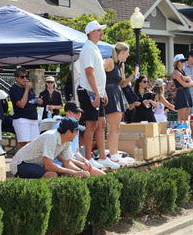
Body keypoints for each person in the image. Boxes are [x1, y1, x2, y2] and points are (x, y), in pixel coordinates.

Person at [77, 20, 119, 169]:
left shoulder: (94, 48)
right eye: (98, 30)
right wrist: (96, 93)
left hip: (96, 92)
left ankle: (102, 157)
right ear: (91, 32)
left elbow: (98, 73)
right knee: (91, 124)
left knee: (101, 124)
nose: (101, 32)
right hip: (88, 91)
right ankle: (89, 158)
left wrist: (103, 92)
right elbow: (89, 72)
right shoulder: (88, 48)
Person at [10, 117, 90, 179]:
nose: (77, 134)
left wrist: (80, 172)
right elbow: (48, 166)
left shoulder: (67, 140)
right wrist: (74, 173)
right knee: (52, 175)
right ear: (69, 132)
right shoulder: (51, 137)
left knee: (67, 174)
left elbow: (67, 163)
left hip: (36, 165)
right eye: (76, 131)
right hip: (20, 164)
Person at [52, 101, 105, 176]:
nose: (79, 115)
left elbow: (76, 152)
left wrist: (85, 160)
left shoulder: (75, 127)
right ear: (67, 113)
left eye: (80, 112)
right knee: (89, 176)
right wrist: (81, 165)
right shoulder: (60, 128)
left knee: (103, 176)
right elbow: (61, 158)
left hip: (73, 162)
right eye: (76, 112)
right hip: (62, 164)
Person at [104, 42, 135, 164]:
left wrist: (131, 78)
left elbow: (122, 83)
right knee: (113, 127)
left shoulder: (121, 65)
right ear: (122, 52)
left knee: (117, 127)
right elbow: (98, 71)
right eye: (127, 53)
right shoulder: (109, 61)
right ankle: (112, 154)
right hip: (109, 92)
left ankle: (115, 153)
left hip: (117, 92)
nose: (127, 56)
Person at [9, 67, 40, 151]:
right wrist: (26, 90)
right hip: (21, 119)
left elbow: (31, 101)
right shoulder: (14, 89)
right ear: (16, 78)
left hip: (33, 118)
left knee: (34, 143)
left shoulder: (30, 89)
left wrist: (38, 101)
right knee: (23, 143)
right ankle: (18, 162)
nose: (25, 79)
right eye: (22, 77)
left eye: (26, 76)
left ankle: (30, 162)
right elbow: (21, 104)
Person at [172, 54, 193, 121]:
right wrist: (192, 83)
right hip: (181, 94)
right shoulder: (176, 72)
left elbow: (190, 81)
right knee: (181, 118)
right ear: (177, 62)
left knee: (186, 118)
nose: (184, 63)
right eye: (182, 61)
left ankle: (185, 131)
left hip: (187, 93)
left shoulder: (184, 72)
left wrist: (190, 81)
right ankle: (180, 131)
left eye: (184, 61)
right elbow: (184, 84)